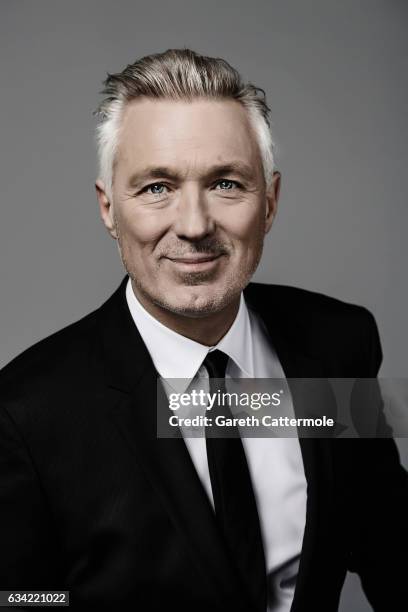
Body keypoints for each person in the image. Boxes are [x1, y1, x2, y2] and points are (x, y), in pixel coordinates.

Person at [0, 48, 406, 612]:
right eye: (156, 187)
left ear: (270, 202)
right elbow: (18, 598)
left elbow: (391, 548)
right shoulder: (25, 411)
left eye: (227, 184)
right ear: (108, 208)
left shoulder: (337, 344)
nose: (193, 226)